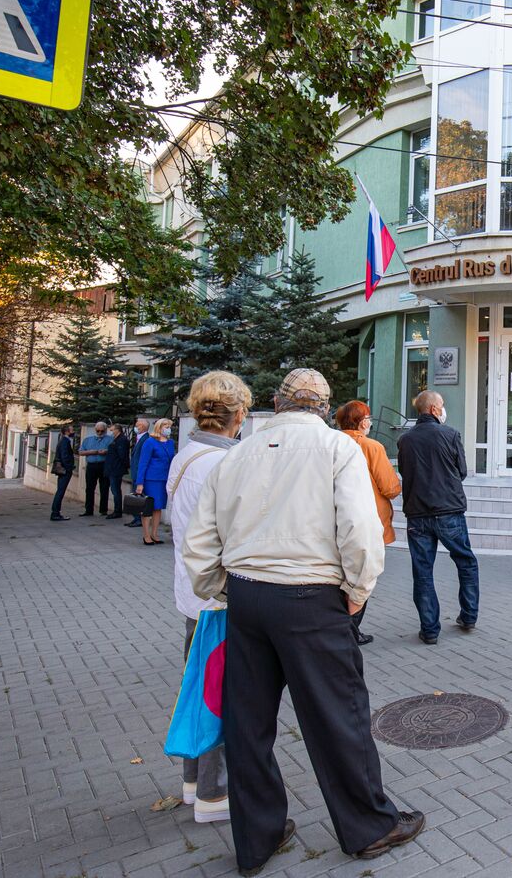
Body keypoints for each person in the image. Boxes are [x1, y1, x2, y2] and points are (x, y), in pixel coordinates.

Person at [183, 368, 424, 872]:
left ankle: (257, 838)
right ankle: (368, 826)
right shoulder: (339, 449)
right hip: (312, 597)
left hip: (247, 598)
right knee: (338, 716)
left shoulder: (237, 454)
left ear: (277, 402)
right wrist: (358, 591)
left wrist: (219, 588)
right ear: (323, 405)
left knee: (248, 724)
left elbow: (201, 538)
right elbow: (359, 529)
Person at [168, 371, 252, 823]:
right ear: (238, 414)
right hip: (220, 600)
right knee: (221, 694)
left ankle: (192, 782)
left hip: (192, 596)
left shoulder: (187, 455)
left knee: (198, 688)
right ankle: (215, 795)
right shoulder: (224, 464)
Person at [396, 390, 478, 645]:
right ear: (433, 409)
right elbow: (461, 471)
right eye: (441, 405)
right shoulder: (451, 434)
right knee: (466, 562)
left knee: (422, 571)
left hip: (417, 514)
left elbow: (405, 472)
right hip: (449, 511)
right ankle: (469, 615)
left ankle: (430, 629)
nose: (443, 409)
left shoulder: (405, 440)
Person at [336, 400, 401, 647]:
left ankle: (340, 628)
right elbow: (390, 487)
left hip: (335, 521)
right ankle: (351, 631)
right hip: (368, 522)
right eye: (369, 418)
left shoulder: (331, 443)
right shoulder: (372, 447)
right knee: (363, 577)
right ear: (363, 422)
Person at [134, 418, 176, 546]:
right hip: (151, 479)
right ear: (159, 427)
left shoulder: (170, 442)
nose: (168, 428)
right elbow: (143, 463)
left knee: (158, 508)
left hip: (164, 479)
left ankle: (155, 534)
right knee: (148, 508)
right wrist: (139, 483)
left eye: (169, 426)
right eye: (166, 426)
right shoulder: (150, 442)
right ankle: (146, 535)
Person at [78, 421, 111, 517]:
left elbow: (114, 451)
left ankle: (103, 510)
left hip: (104, 465)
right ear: (95, 430)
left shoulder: (110, 439)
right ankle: (88, 510)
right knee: (89, 488)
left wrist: (106, 451)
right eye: (98, 431)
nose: (100, 433)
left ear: (105, 430)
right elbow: (80, 452)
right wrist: (90, 452)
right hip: (91, 465)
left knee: (104, 488)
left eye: (102, 431)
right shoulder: (88, 440)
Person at [125, 417, 149, 528]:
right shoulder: (140, 438)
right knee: (135, 495)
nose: (136, 427)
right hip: (135, 472)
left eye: (137, 425)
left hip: (139, 473)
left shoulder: (145, 439)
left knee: (138, 496)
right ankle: (136, 518)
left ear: (143, 427)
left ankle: (138, 519)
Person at [49, 425, 76, 521]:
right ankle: (55, 513)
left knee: (60, 490)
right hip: (64, 470)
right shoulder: (65, 441)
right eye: (72, 430)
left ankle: (56, 512)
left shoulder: (63, 440)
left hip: (63, 469)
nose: (74, 431)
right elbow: (64, 456)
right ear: (67, 432)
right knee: (60, 491)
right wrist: (69, 467)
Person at [104, 424, 130, 519]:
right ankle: (117, 510)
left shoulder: (121, 440)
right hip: (113, 468)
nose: (111, 432)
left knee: (116, 490)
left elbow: (122, 455)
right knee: (114, 490)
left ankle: (117, 511)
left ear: (117, 430)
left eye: (112, 430)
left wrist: (123, 466)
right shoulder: (116, 440)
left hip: (116, 469)